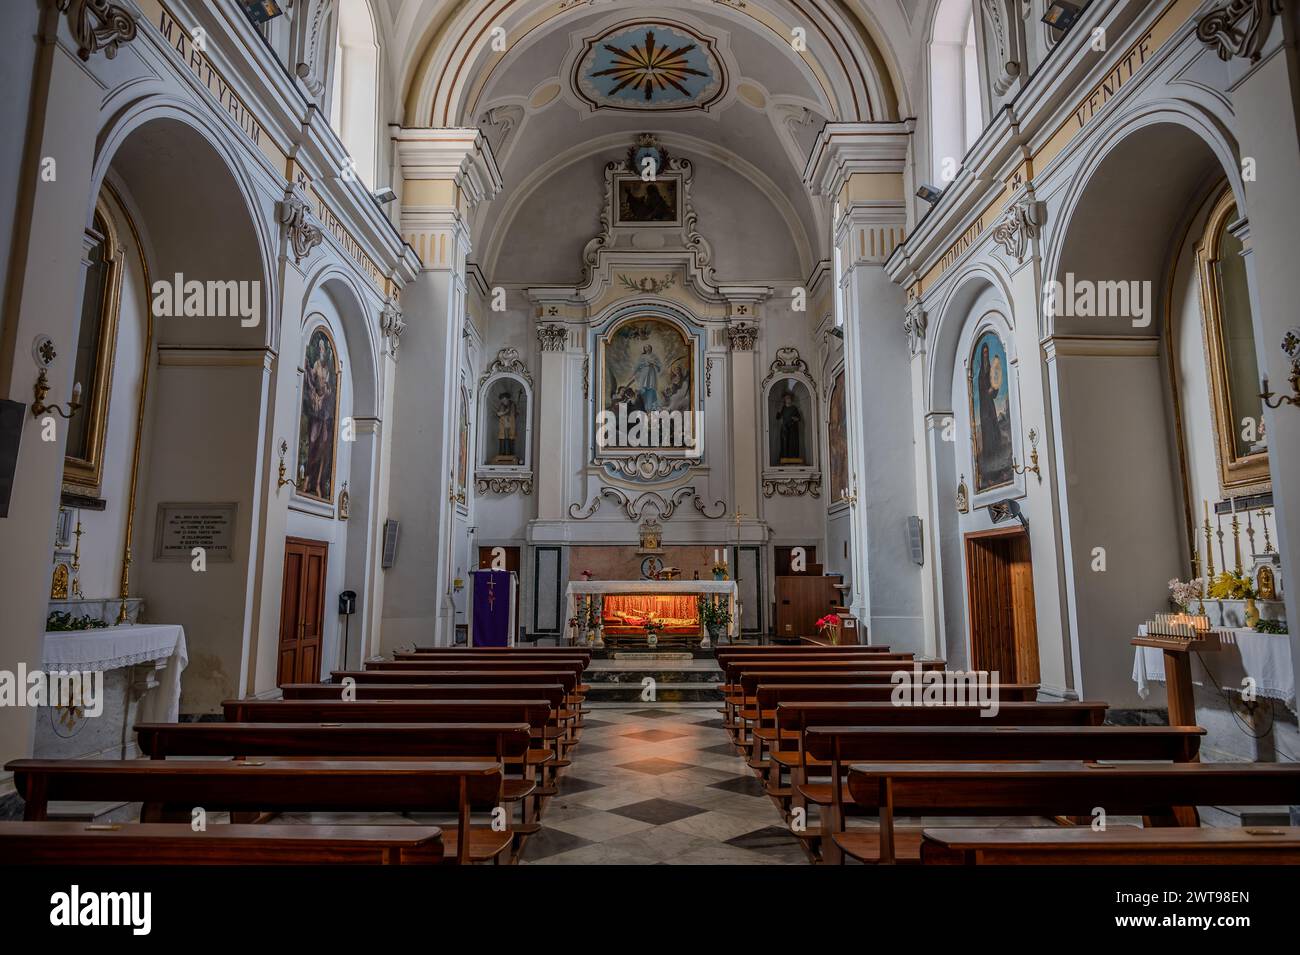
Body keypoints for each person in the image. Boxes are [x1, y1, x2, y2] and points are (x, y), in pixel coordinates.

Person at [775, 392, 802, 463]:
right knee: (784, 443)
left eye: (789, 398)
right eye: (787, 398)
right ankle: (785, 458)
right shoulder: (783, 408)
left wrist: (795, 418)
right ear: (784, 400)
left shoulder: (794, 408)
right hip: (785, 429)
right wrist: (779, 409)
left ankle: (793, 457)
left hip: (793, 429)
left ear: (791, 399)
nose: (788, 400)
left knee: (792, 443)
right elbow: (777, 417)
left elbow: (799, 418)